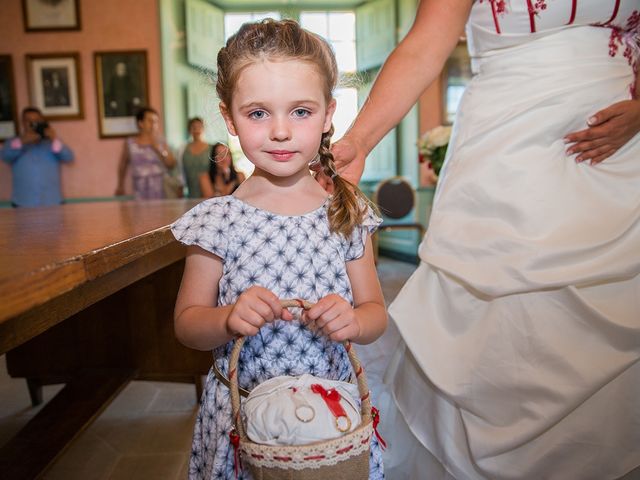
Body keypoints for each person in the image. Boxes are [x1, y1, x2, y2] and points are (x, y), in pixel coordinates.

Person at [329, 1, 640, 480]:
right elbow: (424, 46)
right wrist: (360, 141)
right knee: (507, 318)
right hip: (509, 147)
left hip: (624, 158)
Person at [170, 19, 387, 480]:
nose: (281, 132)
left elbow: (375, 314)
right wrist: (227, 318)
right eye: (258, 113)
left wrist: (354, 320)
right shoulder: (216, 221)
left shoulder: (347, 213)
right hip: (243, 420)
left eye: (301, 112)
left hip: (330, 423)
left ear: (329, 114)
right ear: (229, 118)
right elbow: (188, 325)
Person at [1, 106, 73, 207]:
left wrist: (54, 139)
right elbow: (5, 157)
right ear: (23, 122)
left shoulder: (51, 143)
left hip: (52, 202)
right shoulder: (13, 142)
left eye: (36, 120)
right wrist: (22, 142)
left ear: (42, 121)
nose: (32, 124)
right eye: (28, 121)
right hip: (23, 203)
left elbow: (69, 157)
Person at [115, 106, 176, 200]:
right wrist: (120, 185)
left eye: (156, 121)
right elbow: (123, 165)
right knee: (140, 214)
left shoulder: (161, 141)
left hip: (160, 188)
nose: (153, 124)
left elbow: (171, 165)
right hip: (139, 188)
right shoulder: (130, 143)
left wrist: (159, 150)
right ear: (140, 123)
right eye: (150, 121)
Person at [177, 117, 212, 198]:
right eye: (193, 127)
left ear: (204, 129)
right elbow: (180, 172)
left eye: (199, 126)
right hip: (190, 194)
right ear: (189, 130)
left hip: (209, 195)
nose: (196, 130)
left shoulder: (211, 149)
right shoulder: (182, 149)